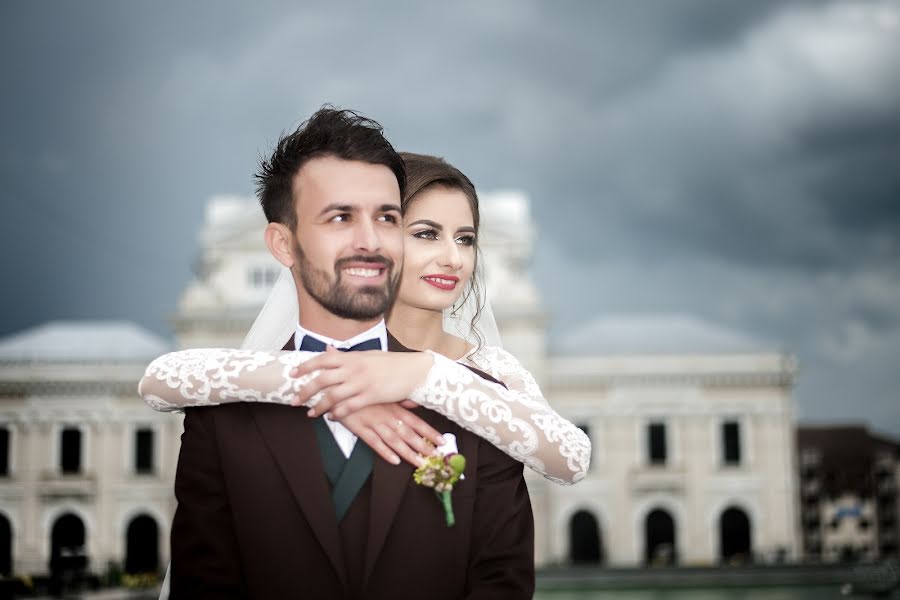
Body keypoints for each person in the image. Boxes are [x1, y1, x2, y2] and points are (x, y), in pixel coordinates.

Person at [158, 107, 535, 599]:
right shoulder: (222, 420)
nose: (370, 241)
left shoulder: (478, 402)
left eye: (387, 218)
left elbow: (501, 585)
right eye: (340, 217)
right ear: (282, 243)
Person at [141, 153, 591, 484]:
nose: (453, 258)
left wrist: (429, 373)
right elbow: (162, 380)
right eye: (426, 234)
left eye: (466, 239)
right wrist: (342, 381)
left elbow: (571, 459)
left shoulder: (491, 367)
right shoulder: (331, 349)